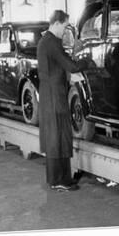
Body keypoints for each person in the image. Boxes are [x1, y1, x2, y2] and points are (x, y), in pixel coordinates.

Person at [37, 10, 89, 192]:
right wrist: (88, 59)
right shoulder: (52, 43)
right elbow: (71, 65)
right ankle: (59, 180)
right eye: (65, 26)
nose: (65, 30)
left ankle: (59, 178)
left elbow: (58, 67)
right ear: (57, 23)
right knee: (57, 137)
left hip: (50, 94)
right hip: (54, 97)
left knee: (56, 136)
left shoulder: (46, 41)